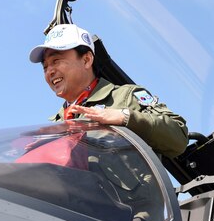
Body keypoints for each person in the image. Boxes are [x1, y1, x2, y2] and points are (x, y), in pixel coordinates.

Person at [29, 23, 188, 159]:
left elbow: (179, 138)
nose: (50, 71)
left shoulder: (125, 97)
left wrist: (125, 117)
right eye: (45, 67)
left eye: (56, 61)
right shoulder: (53, 126)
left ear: (86, 60)